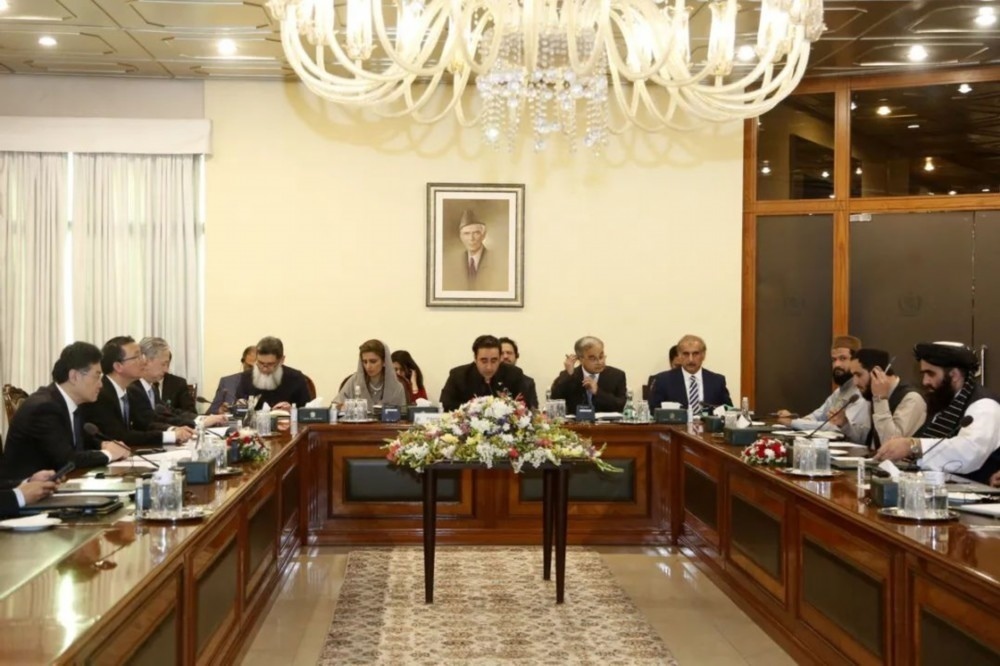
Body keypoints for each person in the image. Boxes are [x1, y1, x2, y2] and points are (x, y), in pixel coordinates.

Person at [875, 342, 1000, 484]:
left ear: (954, 375)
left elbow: (968, 452)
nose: (925, 381)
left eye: (930, 374)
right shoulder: (943, 400)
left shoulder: (985, 405)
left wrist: (914, 446)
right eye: (923, 374)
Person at [2, 342, 131, 479]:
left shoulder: (71, 403)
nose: (101, 384)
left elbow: (79, 441)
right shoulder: (44, 408)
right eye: (96, 376)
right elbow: (66, 460)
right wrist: (109, 454)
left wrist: (103, 444)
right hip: (28, 487)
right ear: (74, 376)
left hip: (59, 482)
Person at [79, 336, 195, 447]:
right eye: (136, 357)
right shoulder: (101, 395)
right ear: (118, 366)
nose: (144, 362)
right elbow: (121, 436)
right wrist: (170, 436)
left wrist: (174, 430)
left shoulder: (129, 391)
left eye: (142, 356)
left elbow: (146, 422)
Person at [777, 335, 871, 444]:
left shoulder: (860, 393)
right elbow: (817, 415)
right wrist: (795, 419)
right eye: (834, 360)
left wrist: (793, 422)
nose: (837, 364)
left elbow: (835, 427)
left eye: (843, 358)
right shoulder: (839, 391)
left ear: (856, 361)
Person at [130, 337, 226, 429]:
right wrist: (198, 423)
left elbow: (170, 413)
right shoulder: (132, 389)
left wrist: (202, 419)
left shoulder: (151, 389)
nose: (166, 370)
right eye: (163, 364)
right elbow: (150, 423)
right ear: (145, 360)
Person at [849, 348, 926, 451]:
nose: (855, 382)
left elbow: (891, 446)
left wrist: (880, 400)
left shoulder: (912, 399)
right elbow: (871, 441)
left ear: (876, 372)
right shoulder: (873, 396)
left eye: (859, 375)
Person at [440, 335, 529, 410]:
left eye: (494, 360)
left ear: (499, 358)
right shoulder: (458, 376)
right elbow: (445, 405)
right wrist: (477, 408)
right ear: (475, 358)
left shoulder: (514, 374)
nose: (489, 367)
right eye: (484, 361)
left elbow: (525, 406)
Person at [648, 335, 732, 413]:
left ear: (703, 355)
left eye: (695, 354)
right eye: (686, 354)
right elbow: (653, 412)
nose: (691, 359)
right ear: (679, 355)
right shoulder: (663, 381)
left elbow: (729, 411)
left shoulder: (717, 381)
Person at [550, 336, 627, 413]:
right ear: (580, 359)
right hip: (576, 420)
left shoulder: (617, 376)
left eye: (601, 356)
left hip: (607, 421)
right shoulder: (569, 375)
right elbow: (554, 401)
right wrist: (569, 374)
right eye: (593, 358)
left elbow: (621, 406)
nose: (599, 362)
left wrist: (598, 392)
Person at [235, 336, 312, 409]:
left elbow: (307, 412)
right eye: (260, 363)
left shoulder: (296, 378)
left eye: (270, 364)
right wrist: (240, 405)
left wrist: (292, 410)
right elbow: (238, 404)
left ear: (281, 360)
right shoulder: (247, 377)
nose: (264, 369)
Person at [442, 209, 508, 292]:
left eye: (476, 233)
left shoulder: (498, 261)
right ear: (461, 237)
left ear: (483, 235)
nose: (471, 238)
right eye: (466, 233)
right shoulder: (453, 263)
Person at [335, 340, 407, 408]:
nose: (368, 366)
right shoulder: (354, 381)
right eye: (365, 362)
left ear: (384, 362)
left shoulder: (397, 387)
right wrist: (341, 407)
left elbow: (403, 415)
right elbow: (335, 405)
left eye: (373, 361)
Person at [208, 345, 256, 414]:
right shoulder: (227, 382)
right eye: (249, 366)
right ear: (243, 363)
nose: (252, 371)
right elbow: (212, 410)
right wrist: (220, 410)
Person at [499, 337, 539, 409]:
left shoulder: (528, 383)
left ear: (516, 356)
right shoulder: (489, 380)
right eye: (501, 353)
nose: (505, 356)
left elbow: (533, 409)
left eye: (509, 353)